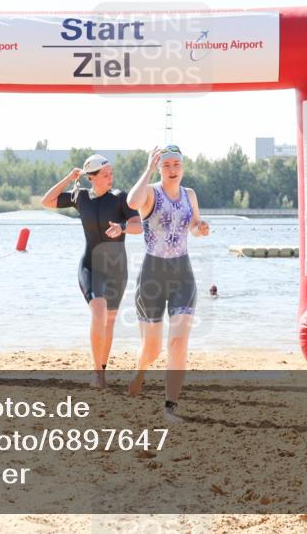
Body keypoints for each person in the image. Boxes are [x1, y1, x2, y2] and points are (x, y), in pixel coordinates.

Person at [41, 154, 142, 388]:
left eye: (111, 174)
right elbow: (47, 201)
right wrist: (69, 177)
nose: (110, 178)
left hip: (116, 269)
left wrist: (123, 227)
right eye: (105, 175)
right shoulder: (81, 197)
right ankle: (97, 373)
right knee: (98, 312)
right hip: (90, 265)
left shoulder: (120, 199)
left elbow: (139, 226)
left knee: (109, 321)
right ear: (92, 178)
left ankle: (102, 370)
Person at [126, 145, 210, 422]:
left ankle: (170, 405)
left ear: (183, 166)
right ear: (159, 168)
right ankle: (140, 369)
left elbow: (194, 227)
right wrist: (148, 169)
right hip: (153, 274)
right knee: (152, 349)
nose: (172, 170)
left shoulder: (190, 195)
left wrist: (201, 228)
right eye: (166, 166)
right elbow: (131, 202)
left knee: (178, 340)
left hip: (182, 273)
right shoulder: (150, 192)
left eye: (177, 164)